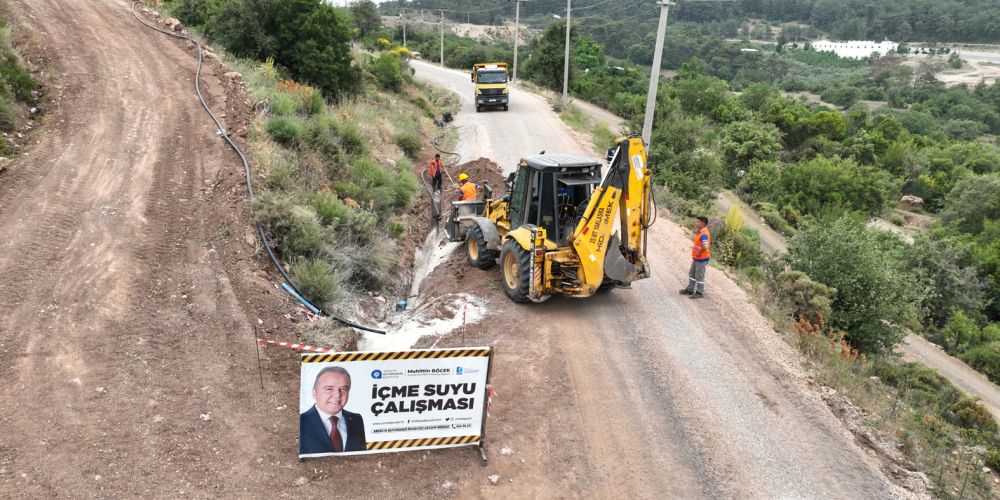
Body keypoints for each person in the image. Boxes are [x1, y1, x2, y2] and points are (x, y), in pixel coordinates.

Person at [300, 366, 367, 455]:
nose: (337, 395)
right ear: (314, 393)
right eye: (329, 389)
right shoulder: (301, 421)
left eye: (343, 389)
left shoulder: (356, 419)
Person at [679, 216, 711, 299]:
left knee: (699, 276)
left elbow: (705, 247)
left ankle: (700, 292)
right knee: (692, 273)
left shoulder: (704, 234)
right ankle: (690, 289)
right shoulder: (701, 232)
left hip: (702, 258)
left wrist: (699, 252)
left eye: (698, 222)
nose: (696, 223)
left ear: (703, 223)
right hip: (697, 257)